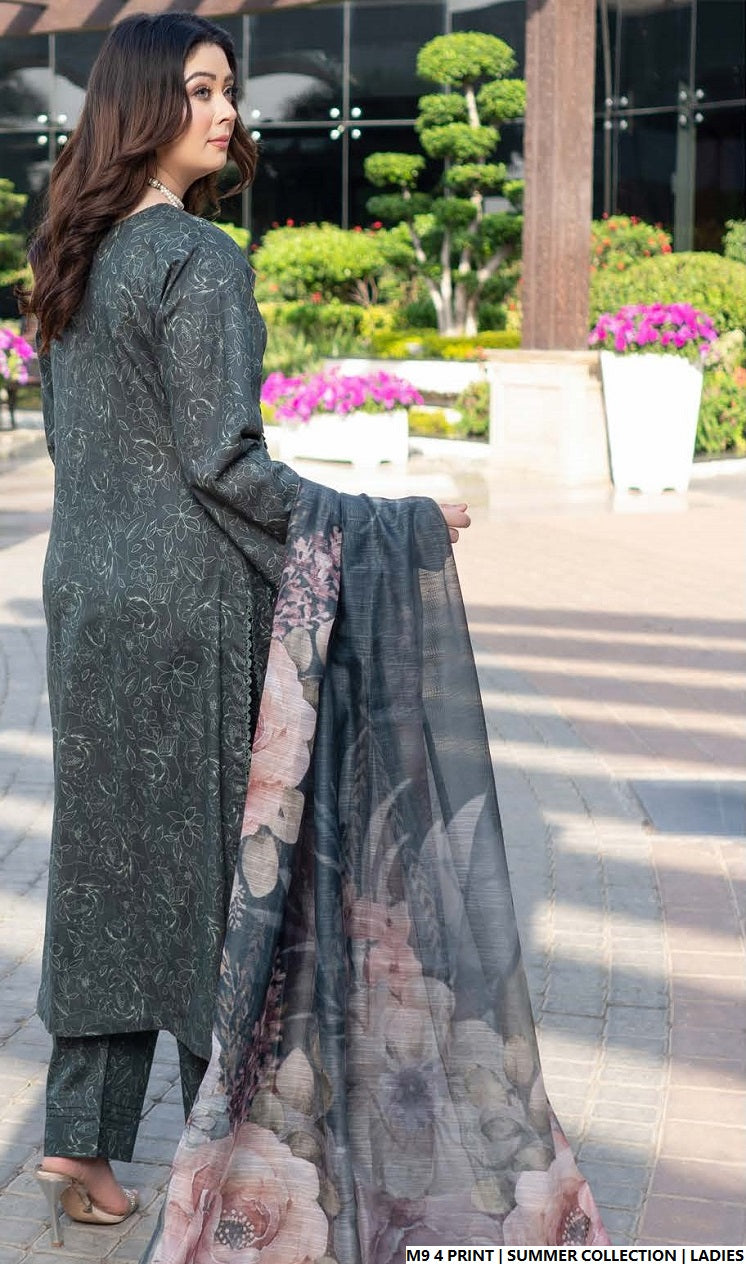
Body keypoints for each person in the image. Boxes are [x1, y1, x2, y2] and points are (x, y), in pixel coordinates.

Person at [22, 11, 472, 1249]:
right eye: (202, 90)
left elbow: (94, 450)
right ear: (142, 106)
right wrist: (388, 524)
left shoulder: (70, 252)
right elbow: (224, 466)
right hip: (194, 608)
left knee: (111, 863)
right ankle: (231, 1155)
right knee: (225, 882)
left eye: (227, 89)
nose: (228, 111)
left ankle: (78, 1134)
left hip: (88, 599)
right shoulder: (200, 260)